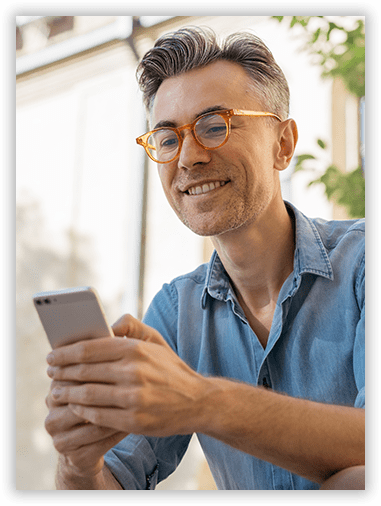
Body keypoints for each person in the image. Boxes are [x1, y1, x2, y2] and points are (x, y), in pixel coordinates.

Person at [44, 27, 365, 490]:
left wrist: (201, 400)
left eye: (215, 126)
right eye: (168, 138)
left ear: (283, 144)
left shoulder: (359, 265)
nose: (189, 158)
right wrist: (79, 464)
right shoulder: (176, 314)